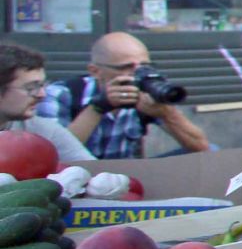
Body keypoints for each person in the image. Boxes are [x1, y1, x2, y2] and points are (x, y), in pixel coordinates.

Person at [37, 32, 210, 160]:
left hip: (126, 176)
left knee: (212, 154)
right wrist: (97, 108)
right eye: (125, 68)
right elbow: (54, 156)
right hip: (76, 177)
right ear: (95, 71)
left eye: (144, 67)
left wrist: (166, 113)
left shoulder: (144, 89)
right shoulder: (61, 93)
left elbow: (200, 146)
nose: (135, 74)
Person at [0, 44, 95, 165]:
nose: (42, 94)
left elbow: (92, 170)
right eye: (31, 87)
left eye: (42, 85)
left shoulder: (45, 131)